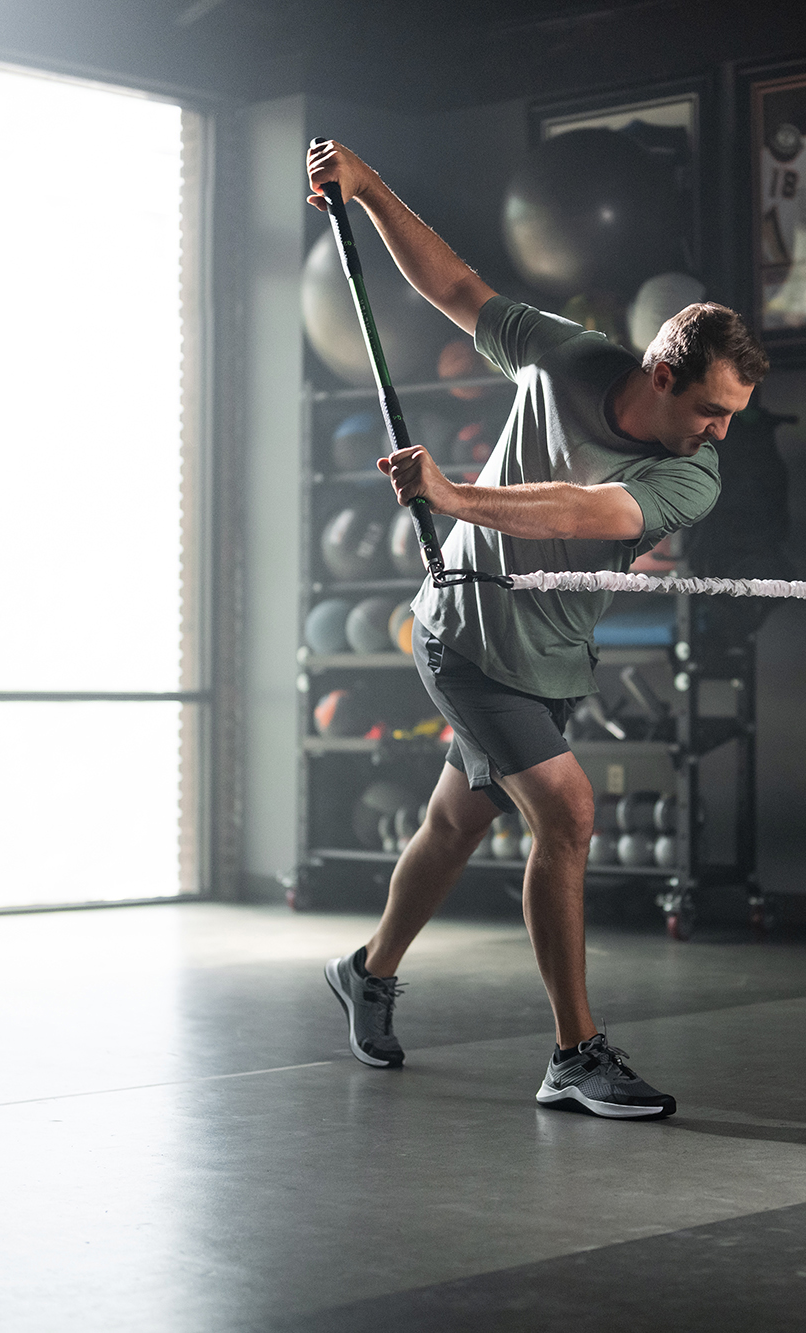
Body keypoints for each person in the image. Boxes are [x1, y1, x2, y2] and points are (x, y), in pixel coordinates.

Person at [307, 139, 767, 1119]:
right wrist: (371, 186)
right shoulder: (561, 354)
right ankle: (572, 1052)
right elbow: (456, 288)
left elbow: (583, 513)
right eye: (712, 410)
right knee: (566, 814)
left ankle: (367, 970)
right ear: (659, 372)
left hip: (552, 655)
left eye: (733, 415)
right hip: (469, 637)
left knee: (452, 821)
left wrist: (452, 494)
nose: (720, 432)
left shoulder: (693, 474)